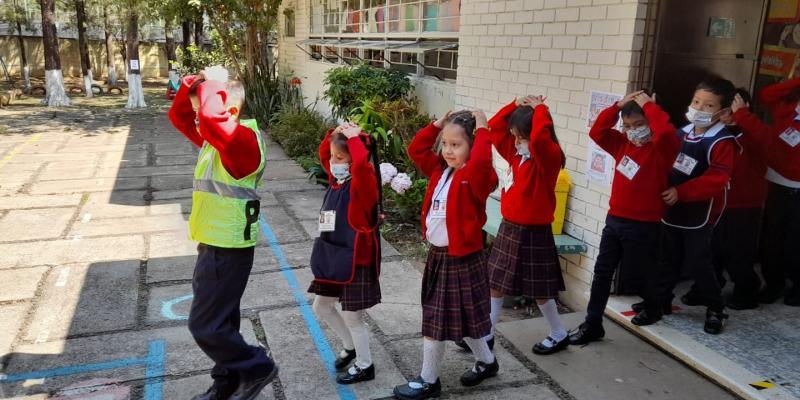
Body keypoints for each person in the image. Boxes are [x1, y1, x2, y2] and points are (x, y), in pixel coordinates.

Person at [167, 67, 279, 400]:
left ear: (226, 109)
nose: (198, 121)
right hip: (213, 243)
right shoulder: (217, 138)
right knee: (222, 321)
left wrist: (214, 82)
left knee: (206, 326)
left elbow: (212, 121)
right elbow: (179, 117)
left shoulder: (241, 142)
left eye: (203, 111)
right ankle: (227, 379)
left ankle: (257, 366)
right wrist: (194, 82)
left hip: (227, 246)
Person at [393, 110, 499, 400]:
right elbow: (416, 149)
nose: (449, 150)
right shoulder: (441, 171)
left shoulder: (477, 176)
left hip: (461, 258)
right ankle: (488, 362)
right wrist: (437, 126)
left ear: (473, 146)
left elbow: (480, 163)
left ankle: (429, 380)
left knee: (435, 320)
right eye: (446, 144)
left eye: (457, 145)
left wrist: (483, 130)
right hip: (439, 256)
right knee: (461, 318)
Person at [568, 90, 681, 345]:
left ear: (650, 122)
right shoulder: (622, 144)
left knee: (638, 274)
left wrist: (650, 107)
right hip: (615, 219)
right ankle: (593, 323)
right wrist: (617, 106)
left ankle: (654, 306)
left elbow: (665, 132)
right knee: (602, 272)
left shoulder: (661, 148)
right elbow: (597, 131)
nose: (632, 130)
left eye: (639, 125)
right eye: (628, 126)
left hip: (645, 224)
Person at [484, 95, 569, 355]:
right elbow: (495, 126)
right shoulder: (517, 154)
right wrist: (517, 103)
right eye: (515, 136)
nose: (516, 141)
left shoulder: (548, 158)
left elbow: (542, 140)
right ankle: (486, 334)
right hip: (510, 227)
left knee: (540, 290)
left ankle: (558, 332)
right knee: (495, 282)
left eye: (521, 136)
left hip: (534, 231)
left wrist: (541, 108)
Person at [655, 78, 737, 334]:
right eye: (696, 101)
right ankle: (661, 301)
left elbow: (716, 180)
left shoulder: (722, 141)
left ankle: (715, 308)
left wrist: (681, 192)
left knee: (699, 262)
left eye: (709, 105)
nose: (699, 108)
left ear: (723, 112)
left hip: (701, 213)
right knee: (669, 257)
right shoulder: (682, 132)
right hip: (673, 208)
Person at [308, 122, 383, 384]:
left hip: (355, 260)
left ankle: (365, 364)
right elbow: (323, 154)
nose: (333, 162)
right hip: (332, 255)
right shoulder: (337, 181)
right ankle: (350, 346)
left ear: (353, 159)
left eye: (341, 158)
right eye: (333, 157)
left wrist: (354, 140)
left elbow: (362, 165)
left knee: (353, 316)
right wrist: (333, 134)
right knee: (322, 306)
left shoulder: (363, 183)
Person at [682, 88, 766, 310]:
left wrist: (744, 118)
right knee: (709, 249)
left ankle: (747, 291)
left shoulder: (752, 133)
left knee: (738, 252)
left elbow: (765, 144)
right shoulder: (713, 133)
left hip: (744, 204)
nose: (729, 115)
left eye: (735, 110)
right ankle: (707, 286)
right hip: (715, 202)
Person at [732, 78, 800, 306]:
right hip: (777, 183)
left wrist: (743, 115)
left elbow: (764, 136)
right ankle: (774, 284)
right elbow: (767, 94)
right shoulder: (787, 107)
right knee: (772, 240)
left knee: (795, 242)